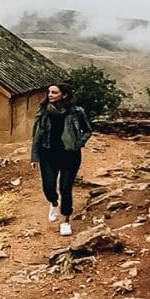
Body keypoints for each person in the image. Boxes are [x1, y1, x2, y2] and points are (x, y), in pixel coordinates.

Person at [30, 82, 92, 237]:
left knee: (65, 188)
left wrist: (79, 143)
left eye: (54, 92)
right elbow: (37, 135)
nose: (50, 95)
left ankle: (65, 220)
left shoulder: (76, 112)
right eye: (49, 92)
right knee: (49, 187)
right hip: (48, 154)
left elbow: (87, 130)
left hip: (70, 155)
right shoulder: (44, 111)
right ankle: (54, 202)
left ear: (64, 95)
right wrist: (34, 156)